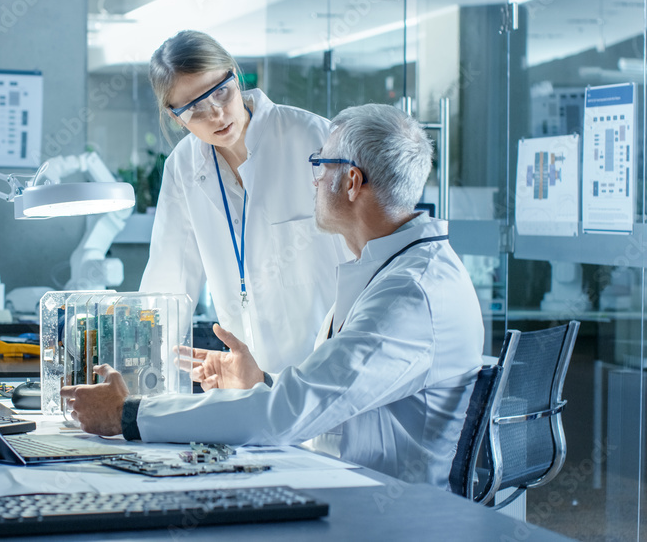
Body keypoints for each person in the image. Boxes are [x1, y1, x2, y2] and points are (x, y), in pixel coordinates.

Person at [61, 104, 485, 488]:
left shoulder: (409, 294)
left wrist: (130, 414)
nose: (314, 178)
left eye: (320, 164)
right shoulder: (389, 270)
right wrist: (258, 383)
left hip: (384, 510)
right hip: (349, 483)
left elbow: (288, 413)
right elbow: (328, 395)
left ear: (352, 181)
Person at [139, 31, 349, 373]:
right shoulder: (183, 168)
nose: (217, 115)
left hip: (328, 372)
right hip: (250, 385)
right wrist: (140, 379)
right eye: (194, 109)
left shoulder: (316, 141)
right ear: (175, 117)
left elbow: (368, 261)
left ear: (235, 76)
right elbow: (168, 286)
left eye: (221, 92)